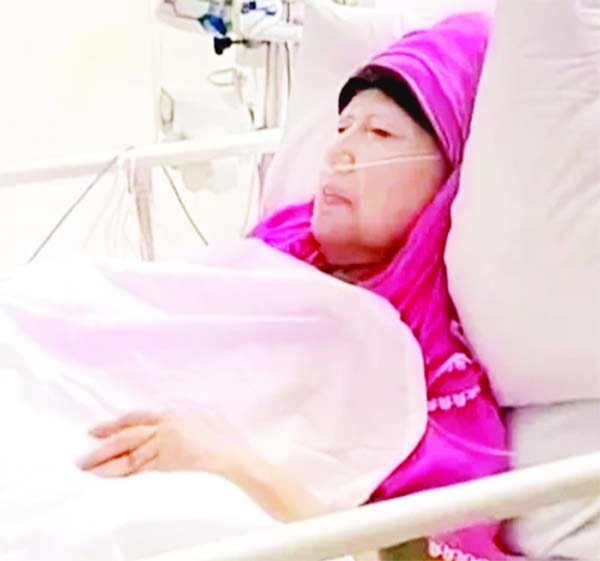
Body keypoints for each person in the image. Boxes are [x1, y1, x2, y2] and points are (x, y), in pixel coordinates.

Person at [78, 13, 509, 561]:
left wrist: (235, 463)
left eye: (379, 134)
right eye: (341, 129)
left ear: (450, 174)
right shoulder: (268, 257)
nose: (338, 153)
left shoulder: (442, 394)